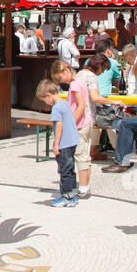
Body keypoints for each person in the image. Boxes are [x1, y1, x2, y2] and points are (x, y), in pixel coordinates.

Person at [50, 59, 95, 200]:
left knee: (80, 156)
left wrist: (72, 124)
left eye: (60, 77)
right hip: (86, 122)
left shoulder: (75, 85)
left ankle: (82, 188)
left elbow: (80, 105)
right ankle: (85, 186)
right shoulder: (80, 81)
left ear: (66, 70)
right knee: (85, 156)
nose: (61, 81)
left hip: (80, 124)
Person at [36, 78, 79, 208]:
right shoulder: (65, 103)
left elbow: (59, 125)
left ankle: (66, 195)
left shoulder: (56, 108)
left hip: (64, 142)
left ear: (48, 95)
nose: (46, 103)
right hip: (72, 141)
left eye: (45, 100)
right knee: (70, 169)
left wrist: (56, 143)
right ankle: (72, 194)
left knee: (64, 169)